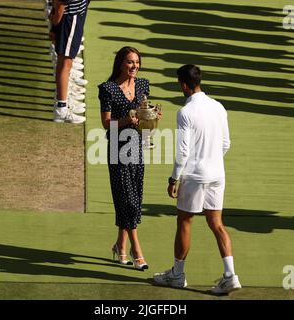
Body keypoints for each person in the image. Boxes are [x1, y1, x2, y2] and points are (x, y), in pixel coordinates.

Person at [153, 65, 241, 294]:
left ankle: (177, 275)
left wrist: (174, 178)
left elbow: (183, 152)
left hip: (194, 176)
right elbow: (226, 144)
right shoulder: (218, 107)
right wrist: (211, 160)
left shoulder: (185, 113)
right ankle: (230, 275)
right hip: (217, 175)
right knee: (217, 224)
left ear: (183, 84)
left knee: (184, 221)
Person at [98, 47, 155, 270]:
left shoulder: (142, 85)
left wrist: (150, 116)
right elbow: (106, 124)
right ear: (121, 63)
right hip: (118, 149)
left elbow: (143, 112)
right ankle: (136, 251)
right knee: (128, 200)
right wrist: (127, 120)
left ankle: (120, 247)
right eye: (130, 62)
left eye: (137, 62)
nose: (135, 66)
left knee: (133, 199)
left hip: (137, 147)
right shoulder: (108, 89)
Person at [50, 0, 88, 123]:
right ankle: (61, 108)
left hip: (75, 15)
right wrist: (55, 26)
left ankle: (64, 97)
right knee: (65, 62)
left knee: (67, 61)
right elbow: (60, 5)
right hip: (70, 18)